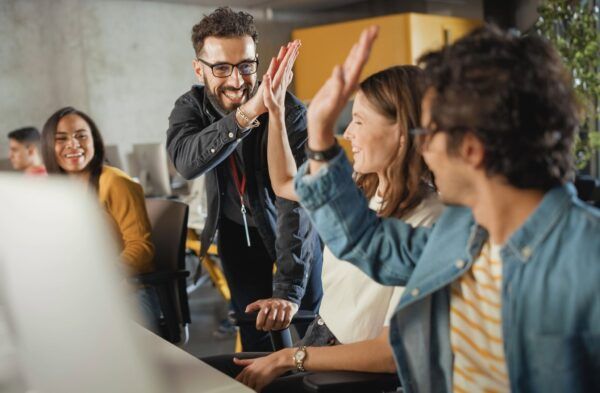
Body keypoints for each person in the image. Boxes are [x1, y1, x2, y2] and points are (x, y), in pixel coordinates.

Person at [294, 25, 600, 392]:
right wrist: (319, 136)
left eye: (428, 133)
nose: (422, 149)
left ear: (471, 150)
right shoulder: (465, 230)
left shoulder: (587, 263)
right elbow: (367, 241)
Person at [206, 62, 445, 392]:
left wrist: (286, 358)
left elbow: (392, 353)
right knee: (196, 374)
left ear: (401, 133)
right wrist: (276, 112)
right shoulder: (361, 190)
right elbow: (285, 182)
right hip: (318, 341)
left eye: (358, 121)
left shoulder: (431, 222)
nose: (348, 133)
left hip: (351, 375)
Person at [166, 7, 323, 351]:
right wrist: (247, 114)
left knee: (315, 331)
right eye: (222, 68)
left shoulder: (292, 113)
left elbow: (295, 206)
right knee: (254, 338)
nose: (237, 81)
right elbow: (187, 162)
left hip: (293, 233)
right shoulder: (191, 108)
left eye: (246, 66)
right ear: (199, 69)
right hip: (237, 232)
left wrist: (288, 291)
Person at [41, 106, 161, 332]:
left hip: (128, 292)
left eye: (81, 136)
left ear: (93, 140)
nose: (73, 144)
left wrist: (100, 277)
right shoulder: (56, 190)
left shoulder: (114, 182)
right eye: (61, 139)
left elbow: (142, 248)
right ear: (49, 146)